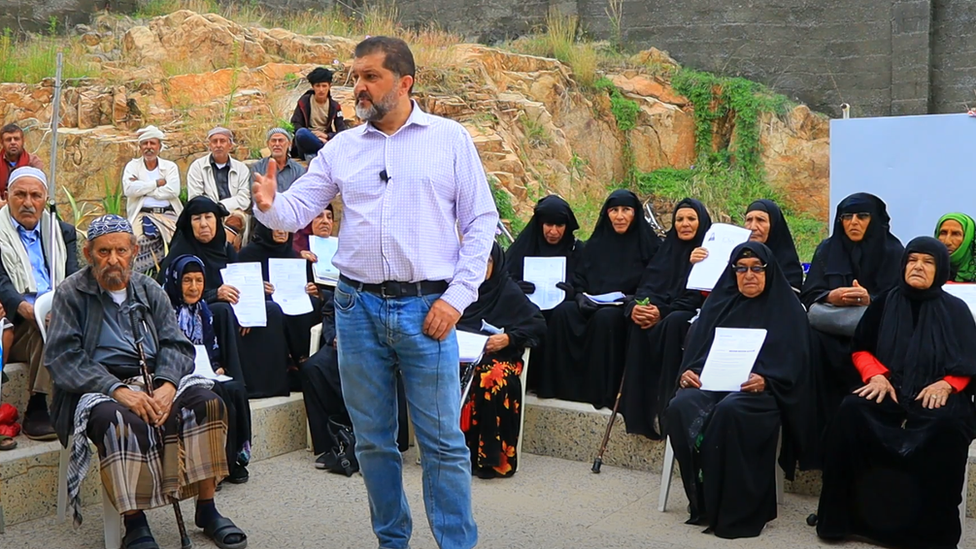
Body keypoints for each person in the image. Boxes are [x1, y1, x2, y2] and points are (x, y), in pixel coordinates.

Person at [253, 36, 496, 549]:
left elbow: (480, 223)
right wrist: (269, 206)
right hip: (356, 308)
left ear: (405, 82)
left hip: (429, 309)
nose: (357, 87)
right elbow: (294, 211)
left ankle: (457, 543)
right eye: (355, 77)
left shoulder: (450, 140)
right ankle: (392, 541)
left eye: (370, 77)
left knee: (443, 444)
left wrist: (456, 298)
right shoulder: (342, 147)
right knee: (373, 442)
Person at [45, 215, 247, 549]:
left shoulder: (149, 288)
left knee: (208, 402)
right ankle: (135, 523)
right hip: (99, 387)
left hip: (156, 376)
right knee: (118, 421)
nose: (113, 260)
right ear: (88, 252)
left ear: (134, 251)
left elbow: (176, 344)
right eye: (104, 251)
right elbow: (63, 358)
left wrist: (168, 385)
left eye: (121, 250)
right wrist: (119, 391)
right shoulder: (71, 293)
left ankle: (207, 508)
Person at [816, 237, 976, 549]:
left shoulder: (956, 310)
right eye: (912, 260)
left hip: (936, 390)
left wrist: (947, 384)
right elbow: (861, 348)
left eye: (927, 262)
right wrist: (875, 374)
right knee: (852, 411)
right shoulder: (884, 303)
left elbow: (970, 361)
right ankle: (848, 520)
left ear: (940, 268)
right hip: (889, 387)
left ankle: (928, 533)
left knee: (945, 427)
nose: (917, 266)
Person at [666, 241, 817, 539]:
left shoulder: (787, 310)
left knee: (730, 410)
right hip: (713, 387)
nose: (749, 275)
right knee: (681, 406)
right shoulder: (719, 304)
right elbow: (696, 354)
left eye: (756, 268)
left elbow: (796, 365)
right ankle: (704, 500)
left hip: (762, 394)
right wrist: (688, 374)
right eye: (741, 268)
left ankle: (739, 509)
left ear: (768, 271)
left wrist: (767, 379)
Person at [534, 189, 660, 409]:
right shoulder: (596, 244)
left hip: (624, 307)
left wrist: (631, 299)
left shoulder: (650, 246)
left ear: (635, 214)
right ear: (607, 214)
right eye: (614, 210)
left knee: (606, 319)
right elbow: (581, 276)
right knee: (564, 313)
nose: (619, 216)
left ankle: (599, 392)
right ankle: (561, 386)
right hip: (593, 301)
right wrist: (580, 295)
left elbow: (654, 281)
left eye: (626, 210)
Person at [159, 197, 290, 399]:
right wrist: (213, 294)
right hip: (200, 308)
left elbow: (239, 283)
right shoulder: (182, 250)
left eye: (208, 217)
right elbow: (172, 294)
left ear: (217, 221)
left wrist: (248, 311)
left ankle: (268, 384)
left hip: (232, 304)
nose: (203, 224)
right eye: (197, 219)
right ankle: (238, 380)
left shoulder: (225, 248)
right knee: (223, 310)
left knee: (271, 310)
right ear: (189, 223)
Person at [802, 193, 904, 426]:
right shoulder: (828, 250)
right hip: (829, 334)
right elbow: (809, 294)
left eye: (862, 216)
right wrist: (831, 295)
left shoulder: (894, 252)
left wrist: (871, 298)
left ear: (875, 220)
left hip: (875, 337)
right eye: (847, 217)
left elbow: (902, 299)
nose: (853, 222)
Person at [619, 198, 711, 439]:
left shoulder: (707, 254)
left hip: (687, 316)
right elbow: (648, 286)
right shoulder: (666, 250)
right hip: (659, 313)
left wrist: (664, 312)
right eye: (679, 219)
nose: (685, 224)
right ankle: (640, 413)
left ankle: (669, 407)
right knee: (637, 325)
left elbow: (697, 296)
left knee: (675, 322)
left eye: (691, 219)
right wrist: (641, 308)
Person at [0, 167, 79, 440]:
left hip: (56, 314)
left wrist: (61, 308)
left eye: (35, 195)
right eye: (20, 194)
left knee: (53, 323)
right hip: (17, 322)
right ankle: (36, 407)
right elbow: (2, 283)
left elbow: (73, 278)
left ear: (45, 199)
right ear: (7, 195)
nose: (28, 202)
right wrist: (25, 308)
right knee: (40, 328)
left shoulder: (62, 231)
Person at [163, 254, 252, 485]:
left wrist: (217, 367)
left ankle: (233, 460)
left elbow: (211, 345)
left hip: (203, 371)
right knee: (216, 392)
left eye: (199, 281)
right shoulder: (164, 310)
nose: (194, 287)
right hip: (174, 377)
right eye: (187, 280)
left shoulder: (203, 309)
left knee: (236, 389)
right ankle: (214, 466)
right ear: (175, 281)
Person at [459, 243, 546, 478]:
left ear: (496, 263)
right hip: (461, 356)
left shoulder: (506, 290)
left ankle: (490, 459)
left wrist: (508, 338)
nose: (482, 268)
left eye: (487, 262)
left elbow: (537, 324)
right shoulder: (459, 289)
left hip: (498, 357)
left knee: (491, 377)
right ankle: (451, 455)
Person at [237, 222, 318, 376]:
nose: (281, 231)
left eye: (286, 227)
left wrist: (309, 289)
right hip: (263, 303)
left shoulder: (291, 254)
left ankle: (302, 358)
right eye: (276, 226)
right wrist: (257, 287)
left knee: (312, 303)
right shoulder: (248, 254)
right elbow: (240, 286)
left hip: (291, 301)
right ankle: (285, 362)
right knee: (274, 309)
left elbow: (302, 285)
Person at [122, 125, 183, 276]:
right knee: (134, 244)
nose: (149, 147)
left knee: (182, 242)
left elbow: (173, 190)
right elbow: (129, 190)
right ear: (140, 146)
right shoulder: (132, 166)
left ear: (159, 146)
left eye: (152, 143)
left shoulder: (170, 167)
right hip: (142, 215)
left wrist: (143, 189)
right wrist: (156, 183)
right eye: (145, 143)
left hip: (168, 214)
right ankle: (140, 278)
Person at [186, 127, 251, 235]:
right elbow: (195, 197)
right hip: (206, 212)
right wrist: (214, 209)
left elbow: (244, 198)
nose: (218, 145)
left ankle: (226, 247)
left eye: (222, 141)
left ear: (230, 145)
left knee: (236, 219)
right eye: (214, 141)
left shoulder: (241, 169)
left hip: (233, 211)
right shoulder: (197, 167)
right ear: (210, 145)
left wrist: (222, 206)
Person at [290, 67, 348, 159]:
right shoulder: (304, 102)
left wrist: (326, 136)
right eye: (318, 86)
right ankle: (324, 151)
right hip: (307, 141)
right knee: (301, 133)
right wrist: (312, 135)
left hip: (325, 139)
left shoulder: (335, 106)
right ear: (313, 87)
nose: (321, 90)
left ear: (329, 86)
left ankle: (315, 155)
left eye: (324, 86)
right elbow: (295, 124)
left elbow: (341, 131)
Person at [250, 128, 307, 193]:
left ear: (289, 144)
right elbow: (256, 195)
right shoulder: (258, 168)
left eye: (281, 140)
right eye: (273, 141)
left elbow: (301, 196)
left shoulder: (298, 170)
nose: (277, 144)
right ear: (268, 144)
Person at [0, 123, 44, 204]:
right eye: (8, 139)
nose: (13, 142)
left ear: (23, 141)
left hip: (25, 205)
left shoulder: (34, 163)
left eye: (16, 139)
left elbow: (37, 191)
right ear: (2, 142)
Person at [935, 212, 976, 282]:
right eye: (943, 233)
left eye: (956, 234)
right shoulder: (928, 270)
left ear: (969, 238)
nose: (947, 242)